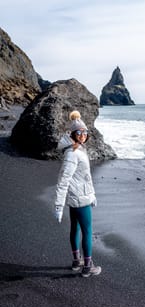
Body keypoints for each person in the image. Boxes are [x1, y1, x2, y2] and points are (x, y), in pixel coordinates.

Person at [54, 110, 101, 278]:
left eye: (85, 132)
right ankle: (88, 267)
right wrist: (58, 206)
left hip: (77, 198)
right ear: (73, 134)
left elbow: (85, 178)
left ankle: (76, 262)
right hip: (80, 200)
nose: (83, 135)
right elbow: (63, 179)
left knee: (75, 229)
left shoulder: (76, 150)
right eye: (79, 132)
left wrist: (93, 194)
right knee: (87, 231)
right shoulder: (73, 153)